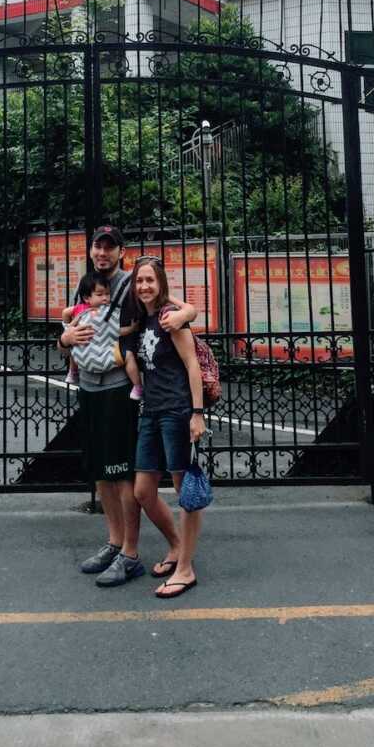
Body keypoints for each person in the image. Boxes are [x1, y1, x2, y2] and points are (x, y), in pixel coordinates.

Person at [58, 225, 196, 588]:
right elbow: (71, 328)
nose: (102, 253)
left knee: (123, 472)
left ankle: (130, 553)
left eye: (109, 247)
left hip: (119, 386)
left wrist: (187, 314)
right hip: (88, 383)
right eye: (97, 247)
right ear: (91, 251)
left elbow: (165, 303)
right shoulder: (85, 285)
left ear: (121, 251)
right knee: (102, 471)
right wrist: (64, 338)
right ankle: (114, 541)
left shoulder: (132, 284)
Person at [130, 255, 206, 599]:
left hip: (176, 411)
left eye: (151, 280)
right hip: (151, 411)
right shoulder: (143, 320)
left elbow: (192, 365)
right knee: (143, 491)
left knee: (184, 492)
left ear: (161, 283)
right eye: (139, 280)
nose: (144, 286)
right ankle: (176, 546)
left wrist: (197, 413)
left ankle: (186, 569)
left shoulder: (168, 319)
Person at [61, 270, 143, 400]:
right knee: (128, 356)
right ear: (87, 298)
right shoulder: (82, 309)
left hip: (91, 358)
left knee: (74, 350)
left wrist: (131, 328)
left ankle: (137, 386)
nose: (105, 298)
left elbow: (115, 330)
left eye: (107, 294)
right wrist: (68, 328)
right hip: (89, 354)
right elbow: (65, 312)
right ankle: (73, 371)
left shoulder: (87, 309)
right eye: (100, 294)